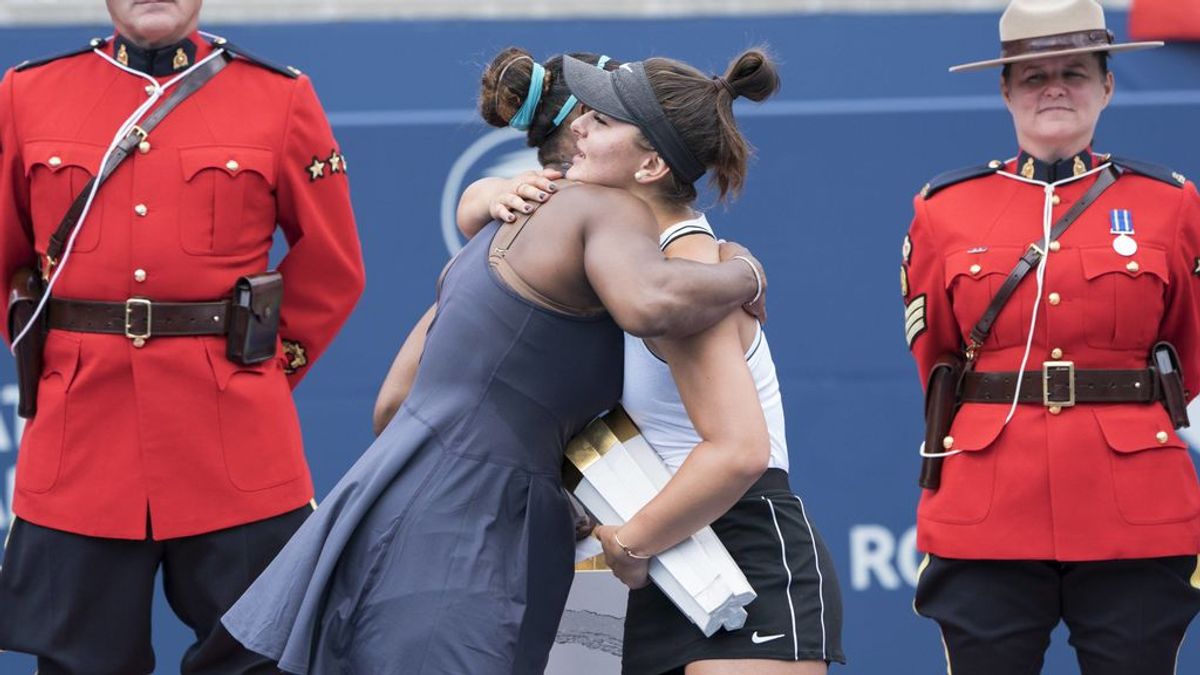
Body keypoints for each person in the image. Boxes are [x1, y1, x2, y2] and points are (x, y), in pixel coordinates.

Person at [222, 46, 769, 675]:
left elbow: (392, 405)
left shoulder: (497, 227)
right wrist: (746, 274)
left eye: (606, 116)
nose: (587, 127)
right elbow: (652, 302)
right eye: (587, 114)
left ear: (649, 160)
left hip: (395, 509)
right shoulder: (605, 210)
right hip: (472, 539)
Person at [0, 1, 366, 673]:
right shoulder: (29, 92)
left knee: (257, 657)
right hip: (81, 440)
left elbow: (333, 265)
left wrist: (255, 372)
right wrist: (58, 366)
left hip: (235, 439)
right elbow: (7, 257)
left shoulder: (278, 96)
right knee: (80, 662)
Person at [903, 1, 1200, 673]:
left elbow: (1192, 347)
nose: (1055, 88)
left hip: (1134, 503)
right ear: (1005, 90)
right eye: (1034, 76)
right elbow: (937, 355)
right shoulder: (943, 210)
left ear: (1108, 86)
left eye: (1074, 71)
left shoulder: (1172, 205)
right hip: (989, 501)